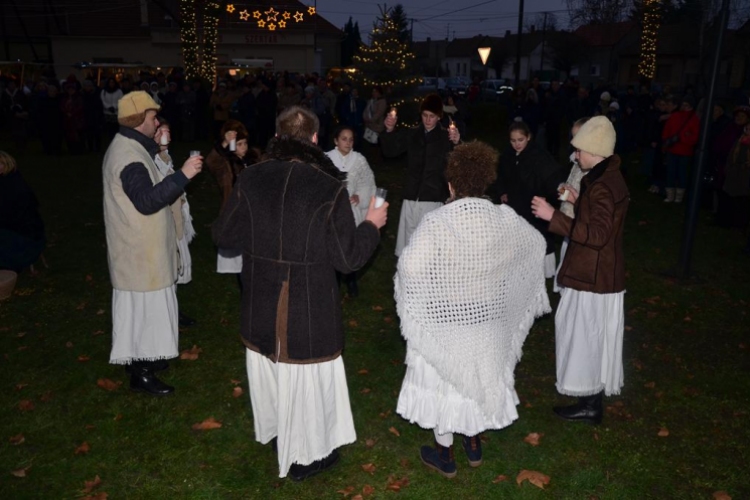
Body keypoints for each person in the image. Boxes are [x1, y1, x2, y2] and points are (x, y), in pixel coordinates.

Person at [212, 105, 388, 481]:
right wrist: (372, 225)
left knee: (276, 373)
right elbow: (347, 258)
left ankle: (282, 437)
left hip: (261, 300)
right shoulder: (327, 186)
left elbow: (224, 236)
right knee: (304, 379)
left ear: (278, 137)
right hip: (306, 308)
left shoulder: (253, 177)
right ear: (313, 140)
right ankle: (304, 457)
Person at [395, 141, 550, 478]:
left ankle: (445, 454)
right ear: (485, 182)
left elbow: (409, 267)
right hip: (488, 320)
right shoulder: (502, 217)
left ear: (451, 184)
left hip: (449, 320)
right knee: (477, 378)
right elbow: (536, 245)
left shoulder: (437, 222)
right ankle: (474, 443)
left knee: (444, 384)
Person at [102, 91, 203, 396]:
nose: (157, 121)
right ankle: (140, 373)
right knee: (143, 313)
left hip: (143, 251)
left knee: (150, 311)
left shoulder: (133, 147)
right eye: (152, 117)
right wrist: (183, 175)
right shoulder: (127, 156)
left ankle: (146, 360)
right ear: (137, 120)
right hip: (137, 254)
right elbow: (146, 201)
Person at [531, 115, 629, 425]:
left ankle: (590, 403)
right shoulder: (604, 177)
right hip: (596, 273)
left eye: (579, 150)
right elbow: (601, 221)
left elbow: (598, 236)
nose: (575, 156)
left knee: (585, 336)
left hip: (592, 276)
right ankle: (590, 399)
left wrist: (553, 216)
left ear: (595, 150)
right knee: (589, 336)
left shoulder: (602, 185)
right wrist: (577, 198)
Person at [380, 94, 461, 256]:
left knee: (429, 246)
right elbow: (390, 152)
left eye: (432, 116)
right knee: (408, 246)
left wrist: (457, 143)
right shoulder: (413, 134)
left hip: (433, 196)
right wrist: (389, 131)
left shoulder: (446, 137)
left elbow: (459, 165)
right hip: (411, 195)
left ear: (439, 117)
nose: (428, 120)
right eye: (425, 115)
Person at [495, 121, 565, 278]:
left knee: (537, 237)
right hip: (515, 204)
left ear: (528, 137)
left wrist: (562, 194)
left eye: (520, 140)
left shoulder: (539, 155)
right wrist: (502, 192)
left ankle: (539, 271)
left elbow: (553, 178)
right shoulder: (507, 155)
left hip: (533, 205)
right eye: (513, 141)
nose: (517, 144)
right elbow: (501, 176)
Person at [153, 117, 198, 328]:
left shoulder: (165, 157)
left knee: (174, 270)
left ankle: (173, 311)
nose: (166, 135)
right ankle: (166, 315)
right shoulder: (150, 160)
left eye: (168, 131)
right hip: (162, 225)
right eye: (161, 130)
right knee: (166, 271)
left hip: (176, 221)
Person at [325, 125, 377, 298]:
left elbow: (367, 183)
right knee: (332, 243)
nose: (347, 142)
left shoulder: (359, 160)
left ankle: (351, 279)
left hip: (351, 209)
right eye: (344, 139)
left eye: (350, 139)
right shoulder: (327, 159)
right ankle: (333, 281)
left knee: (349, 244)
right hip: (332, 209)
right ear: (336, 141)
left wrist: (359, 196)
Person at [206, 120, 259, 279]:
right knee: (240, 259)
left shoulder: (256, 158)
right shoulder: (225, 164)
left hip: (256, 212)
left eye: (245, 143)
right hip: (236, 213)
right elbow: (211, 162)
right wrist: (224, 143)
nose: (243, 148)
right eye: (239, 144)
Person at [554, 117, 590, 293]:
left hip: (580, 221)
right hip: (569, 217)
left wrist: (567, 195)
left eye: (577, 137)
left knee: (575, 255)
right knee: (567, 251)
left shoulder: (591, 167)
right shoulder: (576, 160)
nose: (572, 141)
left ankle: (572, 287)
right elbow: (571, 182)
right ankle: (565, 287)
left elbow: (583, 197)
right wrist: (562, 189)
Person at [0, 151, 45, 272]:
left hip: (27, 235)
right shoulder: (5, 181)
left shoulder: (13, 183)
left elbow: (17, 214)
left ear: (7, 164)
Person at [662, 96, 700, 203]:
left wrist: (682, 138)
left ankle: (678, 196)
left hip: (684, 151)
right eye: (683, 104)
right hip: (674, 149)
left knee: (682, 173)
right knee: (671, 172)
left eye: (686, 105)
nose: (684, 107)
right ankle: (671, 195)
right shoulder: (676, 116)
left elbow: (694, 137)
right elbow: (667, 131)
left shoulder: (694, 119)